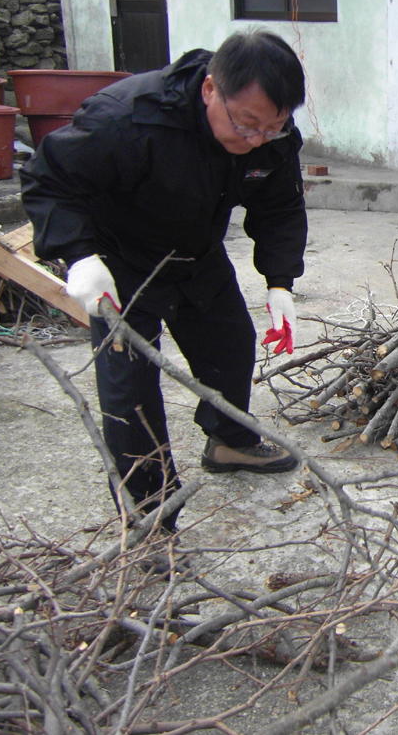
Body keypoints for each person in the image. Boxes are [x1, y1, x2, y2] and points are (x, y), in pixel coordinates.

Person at [20, 30, 309, 527]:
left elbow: (280, 205)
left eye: (273, 127)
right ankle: (151, 515)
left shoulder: (270, 136)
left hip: (196, 252)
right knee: (131, 391)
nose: (256, 140)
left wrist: (280, 280)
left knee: (231, 347)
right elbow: (50, 180)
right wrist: (77, 255)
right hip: (121, 261)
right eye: (247, 125)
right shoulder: (127, 118)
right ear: (210, 90)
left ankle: (230, 443)